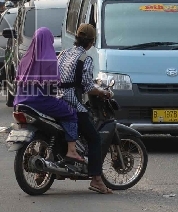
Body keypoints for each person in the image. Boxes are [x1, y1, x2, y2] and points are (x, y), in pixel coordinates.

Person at [57, 23, 113, 195]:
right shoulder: (85, 59)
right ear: (90, 42)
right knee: (94, 139)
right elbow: (88, 87)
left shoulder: (64, 53)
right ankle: (96, 180)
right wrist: (103, 92)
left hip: (57, 98)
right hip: (72, 101)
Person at [13, 27, 82, 164]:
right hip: (40, 101)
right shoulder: (49, 60)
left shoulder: (24, 59)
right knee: (71, 113)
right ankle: (72, 150)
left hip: (20, 102)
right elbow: (53, 88)